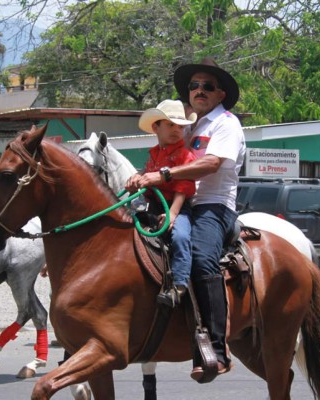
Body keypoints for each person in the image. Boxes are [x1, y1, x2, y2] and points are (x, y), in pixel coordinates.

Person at [127, 58, 245, 382]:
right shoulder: (187, 125)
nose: (199, 90)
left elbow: (210, 164)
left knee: (202, 258)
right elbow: (163, 155)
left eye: (207, 86)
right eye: (194, 86)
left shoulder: (227, 124)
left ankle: (217, 350)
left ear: (220, 94)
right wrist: (140, 176)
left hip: (213, 206)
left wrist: (162, 174)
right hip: (180, 203)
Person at [127, 99, 197, 307]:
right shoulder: (154, 154)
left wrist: (173, 214)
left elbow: (183, 189)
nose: (177, 130)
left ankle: (180, 284)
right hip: (154, 206)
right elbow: (148, 178)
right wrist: (136, 179)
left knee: (181, 236)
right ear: (156, 127)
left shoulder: (185, 155)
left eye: (181, 126)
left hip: (176, 206)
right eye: (171, 125)